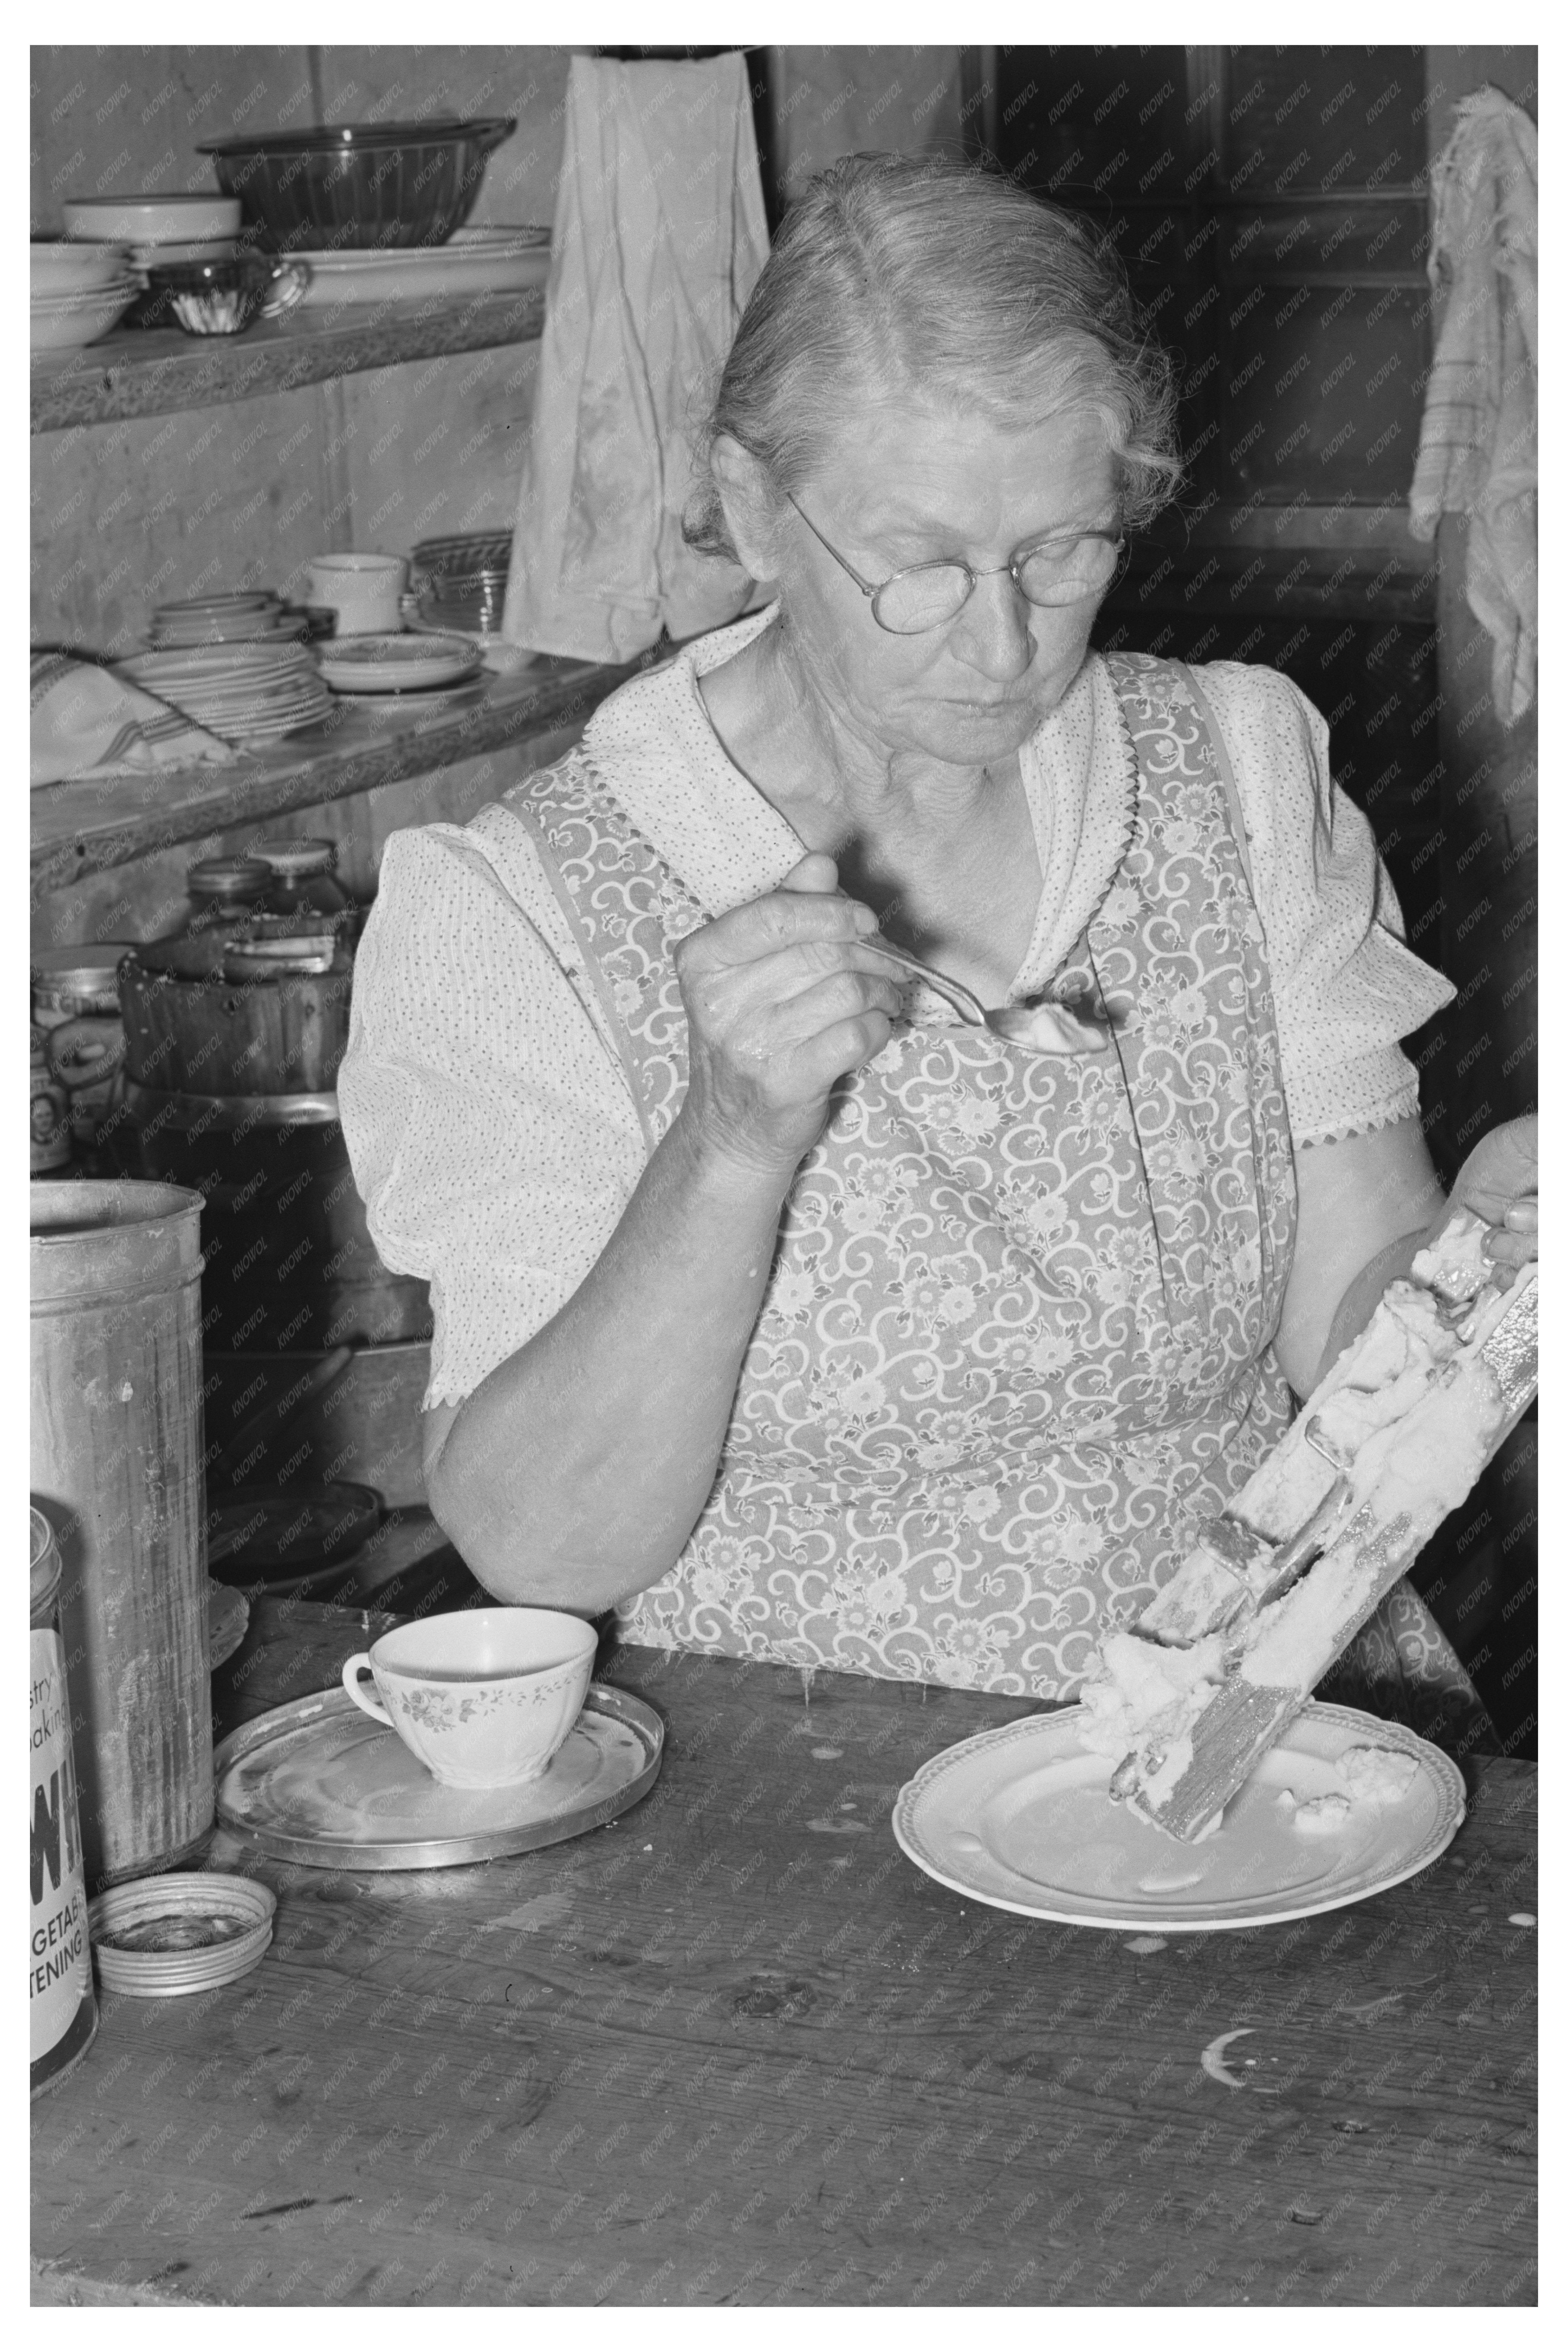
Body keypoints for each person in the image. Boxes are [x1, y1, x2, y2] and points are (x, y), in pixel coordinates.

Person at [340, 154, 1536, 1716]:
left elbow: (1347, 1349)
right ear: (758, 508)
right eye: (916, 568)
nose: (999, 642)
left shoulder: (1232, 778)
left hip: (1244, 1739)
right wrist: (724, 1146)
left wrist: (1494, 1261)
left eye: (1062, 550)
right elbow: (545, 1549)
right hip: (784, 1798)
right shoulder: (522, 912)